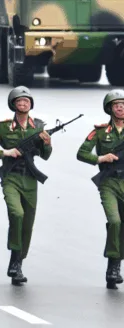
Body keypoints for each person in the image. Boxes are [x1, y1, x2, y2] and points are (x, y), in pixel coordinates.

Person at [0, 86, 52, 285]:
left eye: (26, 101)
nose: (23, 103)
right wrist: (6, 153)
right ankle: (14, 259)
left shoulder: (38, 126)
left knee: (27, 223)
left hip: (30, 178)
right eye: (19, 101)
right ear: (13, 104)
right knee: (16, 214)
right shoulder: (3, 127)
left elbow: (45, 156)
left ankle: (18, 261)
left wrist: (47, 143)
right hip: (11, 177)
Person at [77, 89, 124, 288]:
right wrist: (100, 158)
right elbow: (81, 153)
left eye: (123, 104)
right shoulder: (99, 132)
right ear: (110, 109)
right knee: (114, 221)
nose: (121, 108)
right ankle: (113, 267)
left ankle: (115, 265)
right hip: (109, 183)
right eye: (116, 105)